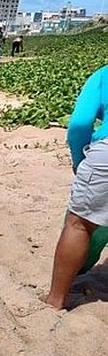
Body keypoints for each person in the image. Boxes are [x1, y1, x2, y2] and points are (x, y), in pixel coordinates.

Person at [46, 65, 108, 310]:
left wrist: (79, 160)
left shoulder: (103, 75)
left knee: (80, 223)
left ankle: (56, 300)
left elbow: (79, 125)